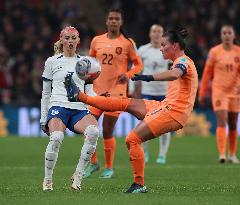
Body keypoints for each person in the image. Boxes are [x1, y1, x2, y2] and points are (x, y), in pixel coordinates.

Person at [65, 29, 198, 193]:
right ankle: (80, 96)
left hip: (173, 113)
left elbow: (175, 74)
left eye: (164, 45)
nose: (161, 48)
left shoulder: (183, 61)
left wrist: (148, 77)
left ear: (175, 45)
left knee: (132, 139)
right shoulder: (180, 60)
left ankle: (139, 184)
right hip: (164, 105)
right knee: (124, 103)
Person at [83, 8, 143, 178]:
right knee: (89, 128)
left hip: (116, 93)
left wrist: (128, 75)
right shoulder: (97, 41)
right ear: (107, 21)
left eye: (117, 19)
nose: (114, 21)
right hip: (96, 92)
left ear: (121, 22)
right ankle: (93, 163)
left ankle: (109, 167)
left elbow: (138, 65)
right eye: (111, 18)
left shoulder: (127, 43)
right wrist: (87, 75)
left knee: (107, 130)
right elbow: (90, 63)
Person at [40, 26, 100, 191]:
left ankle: (78, 176)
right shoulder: (52, 61)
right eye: (67, 38)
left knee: (94, 132)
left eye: (74, 38)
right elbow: (45, 93)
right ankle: (47, 180)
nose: (70, 41)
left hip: (79, 108)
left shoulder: (84, 63)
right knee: (57, 136)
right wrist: (43, 118)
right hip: (58, 105)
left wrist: (101, 98)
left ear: (78, 41)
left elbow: (90, 92)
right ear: (61, 40)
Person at [198, 25, 240, 164]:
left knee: (233, 124)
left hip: (235, 92)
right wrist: (202, 92)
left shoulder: (238, 52)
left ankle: (232, 154)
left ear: (233, 36)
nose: (227, 35)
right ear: (221, 36)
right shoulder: (214, 52)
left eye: (229, 33)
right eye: (224, 33)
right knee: (222, 120)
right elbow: (207, 73)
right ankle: (222, 154)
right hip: (219, 91)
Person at [135, 24, 172, 164]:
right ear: (150, 34)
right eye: (154, 31)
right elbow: (136, 69)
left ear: (163, 35)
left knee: (165, 126)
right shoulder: (143, 50)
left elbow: (174, 70)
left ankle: (162, 155)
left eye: (159, 32)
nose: (156, 34)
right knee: (145, 124)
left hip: (164, 92)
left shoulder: (168, 50)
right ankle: (145, 152)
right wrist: (133, 87)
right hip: (147, 92)